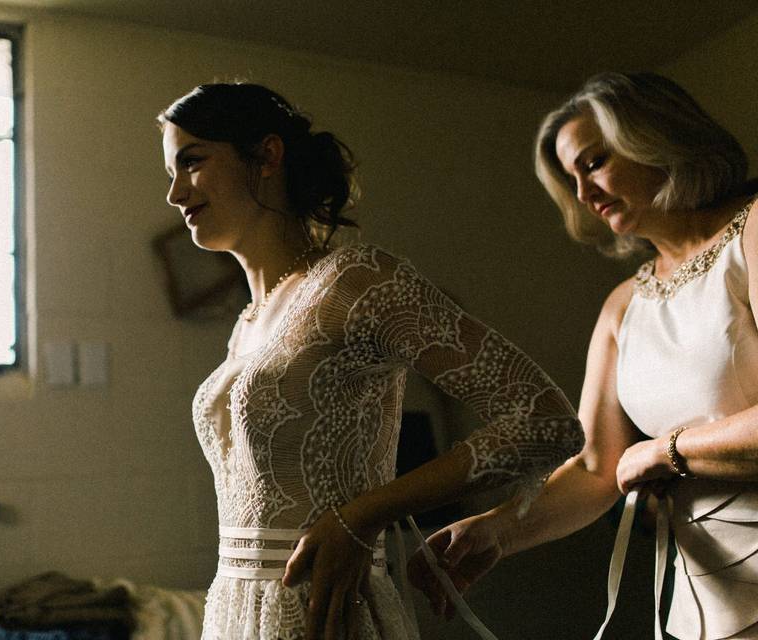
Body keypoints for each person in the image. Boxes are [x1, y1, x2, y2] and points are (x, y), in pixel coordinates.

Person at [158, 82, 584, 640]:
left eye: (191, 162)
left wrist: (362, 516)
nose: (174, 194)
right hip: (235, 614)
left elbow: (545, 420)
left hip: (327, 616)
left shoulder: (360, 281)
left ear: (266, 155)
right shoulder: (249, 322)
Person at [409, 72, 758, 640]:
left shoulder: (754, 233)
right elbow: (599, 467)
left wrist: (666, 452)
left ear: (659, 138)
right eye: (571, 179)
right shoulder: (624, 306)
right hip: (706, 600)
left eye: (593, 163)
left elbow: (639, 460)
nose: (583, 194)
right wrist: (498, 531)